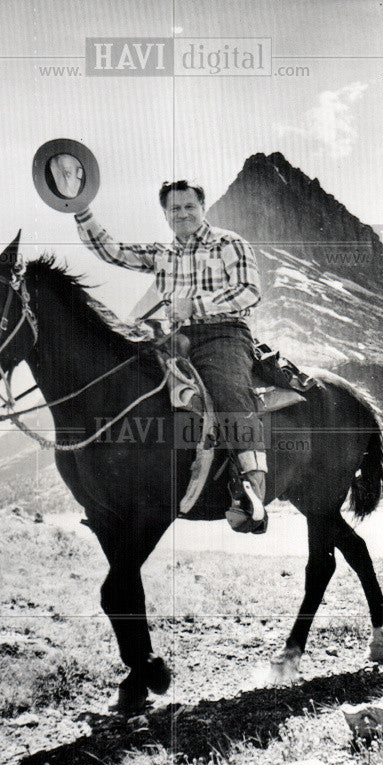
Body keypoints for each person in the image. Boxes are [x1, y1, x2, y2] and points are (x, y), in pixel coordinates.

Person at [74, 180, 267, 532]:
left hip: (222, 334)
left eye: (189, 206)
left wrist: (195, 304)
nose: (182, 214)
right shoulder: (163, 255)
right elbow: (113, 251)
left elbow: (249, 291)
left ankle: (251, 490)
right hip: (176, 337)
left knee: (227, 392)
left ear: (202, 207)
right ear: (165, 215)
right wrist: (81, 211)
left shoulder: (229, 242)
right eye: (174, 209)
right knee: (129, 381)